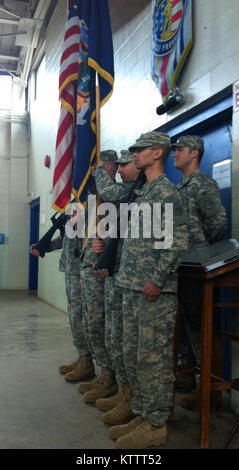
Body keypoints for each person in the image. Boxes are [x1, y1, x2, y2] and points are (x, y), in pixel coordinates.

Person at [108, 131, 189, 449]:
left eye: (140, 150)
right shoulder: (143, 193)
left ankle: (156, 422)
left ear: (157, 153)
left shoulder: (166, 193)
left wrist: (156, 279)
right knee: (133, 356)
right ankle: (142, 413)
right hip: (131, 286)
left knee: (152, 359)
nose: (134, 154)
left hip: (153, 291)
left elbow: (175, 244)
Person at [171, 135, 227, 408]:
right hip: (181, 266)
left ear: (194, 153)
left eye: (179, 150)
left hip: (198, 268)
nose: (174, 154)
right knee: (181, 324)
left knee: (198, 327)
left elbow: (217, 223)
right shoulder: (179, 186)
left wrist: (201, 252)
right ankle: (186, 376)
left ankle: (207, 387)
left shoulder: (202, 184)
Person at [92, 150, 143, 426]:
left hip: (135, 278)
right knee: (114, 335)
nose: (123, 169)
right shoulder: (128, 192)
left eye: (126, 164)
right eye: (120, 165)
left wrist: (100, 169)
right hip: (118, 273)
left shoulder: (136, 191)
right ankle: (124, 392)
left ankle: (135, 400)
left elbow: (110, 193)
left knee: (129, 341)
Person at [78, 150, 121, 403]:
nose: (101, 172)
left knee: (107, 326)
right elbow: (87, 237)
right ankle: (101, 369)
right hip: (93, 269)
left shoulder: (117, 196)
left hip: (111, 270)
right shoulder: (93, 199)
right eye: (99, 168)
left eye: (106, 167)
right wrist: (86, 267)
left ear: (114, 168)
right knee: (92, 323)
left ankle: (110, 375)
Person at [30, 232, 95, 382]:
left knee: (80, 316)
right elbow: (65, 239)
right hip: (70, 268)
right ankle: (83, 356)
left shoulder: (88, 211)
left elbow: (90, 241)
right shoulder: (72, 212)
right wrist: (44, 247)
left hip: (82, 269)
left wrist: (87, 272)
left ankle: (87, 362)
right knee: (74, 315)